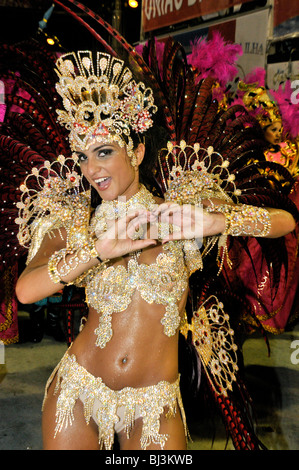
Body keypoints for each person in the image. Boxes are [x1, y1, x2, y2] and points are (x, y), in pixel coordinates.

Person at [13, 49, 296, 451]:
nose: (92, 170)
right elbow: (26, 290)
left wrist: (220, 221)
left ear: (138, 151)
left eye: (105, 151)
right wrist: (98, 250)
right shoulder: (76, 222)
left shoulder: (182, 212)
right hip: (78, 392)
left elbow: (284, 222)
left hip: (154, 404)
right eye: (84, 157)